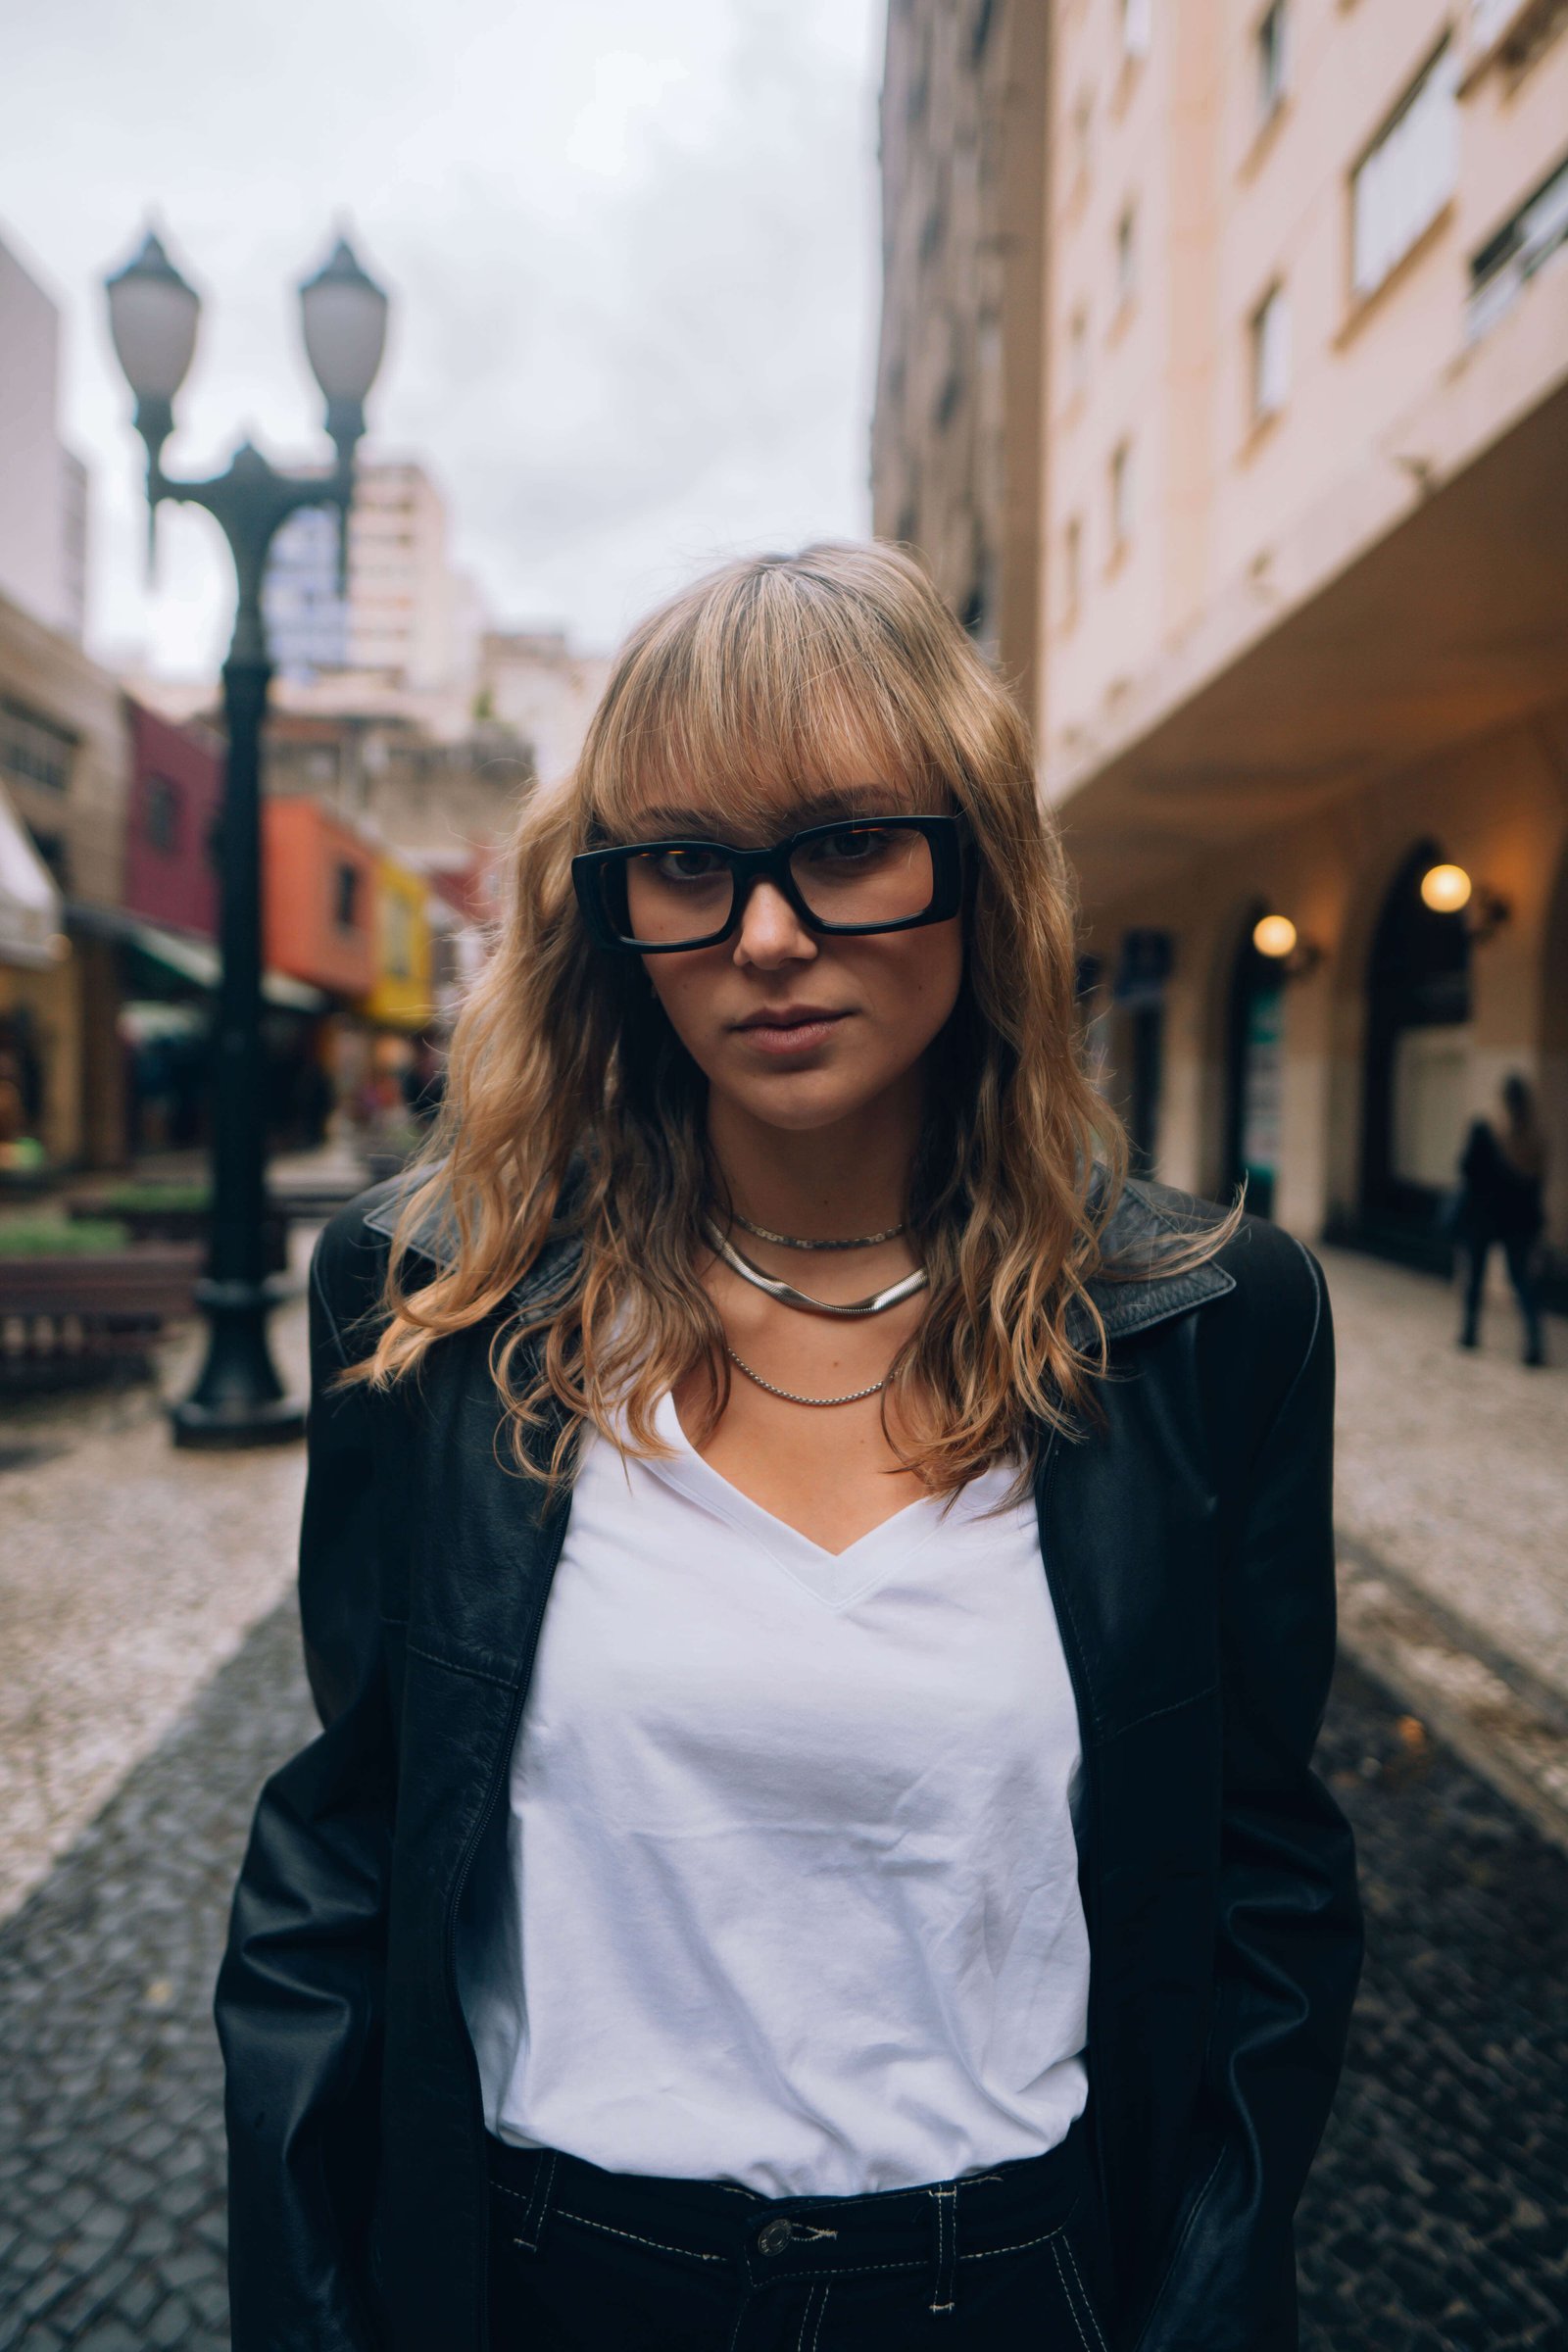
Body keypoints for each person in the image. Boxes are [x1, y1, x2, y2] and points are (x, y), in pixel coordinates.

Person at [216, 543, 1361, 2352]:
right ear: (610, 910)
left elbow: (1266, 1879)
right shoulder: (440, 1303)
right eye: (686, 863)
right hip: (547, 2281)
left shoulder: (1210, 1326)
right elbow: (347, 1844)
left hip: (1012, 2284)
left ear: (979, 868)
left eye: (846, 844)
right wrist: (309, 2300)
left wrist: (1206, 2293)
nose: (764, 937)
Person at [1455, 1073, 1548, 1366]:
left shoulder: (1490, 1131)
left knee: (1478, 1275)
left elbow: (1467, 1169)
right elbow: (1536, 1184)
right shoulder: (1533, 1139)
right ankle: (1533, 1341)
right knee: (1520, 1279)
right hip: (1517, 1219)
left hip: (1487, 1216)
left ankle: (1470, 1332)